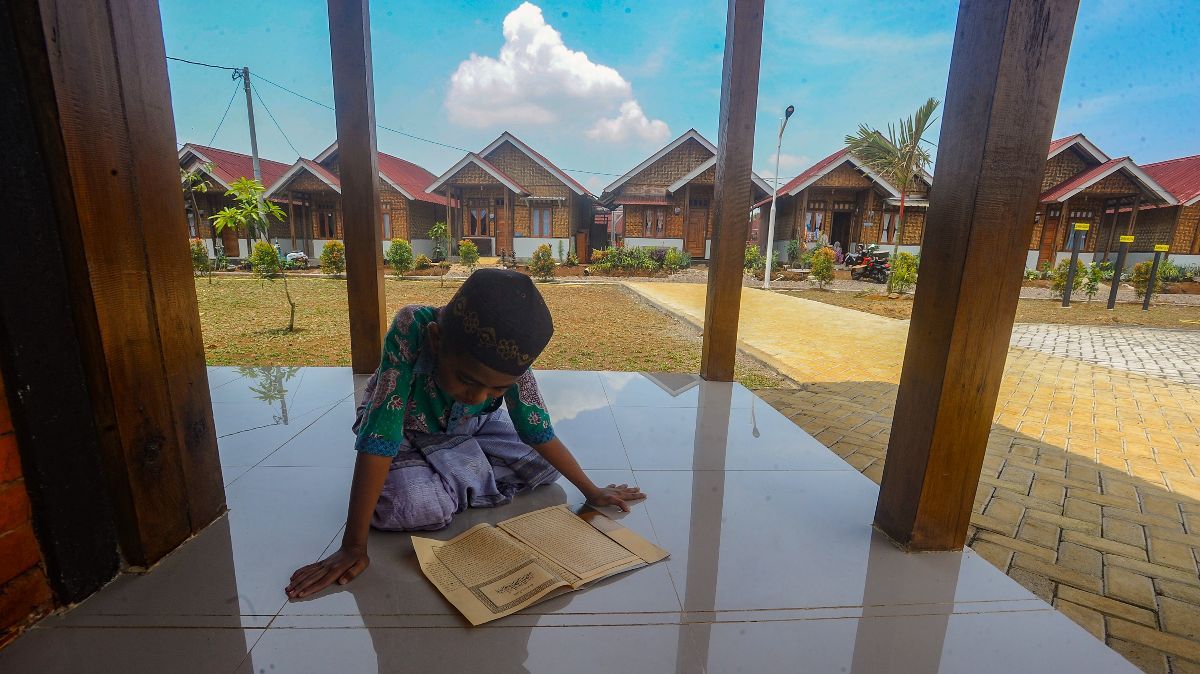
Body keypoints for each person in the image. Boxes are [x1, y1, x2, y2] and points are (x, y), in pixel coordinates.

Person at [286, 269, 645, 599]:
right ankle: (454, 467)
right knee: (416, 506)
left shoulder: (509, 362)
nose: (477, 396)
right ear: (436, 340)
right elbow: (380, 437)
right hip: (406, 428)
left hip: (470, 427)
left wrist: (591, 491)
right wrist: (353, 545)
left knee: (543, 467)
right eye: (468, 380)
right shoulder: (411, 328)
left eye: (497, 390)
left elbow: (536, 430)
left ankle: (449, 466)